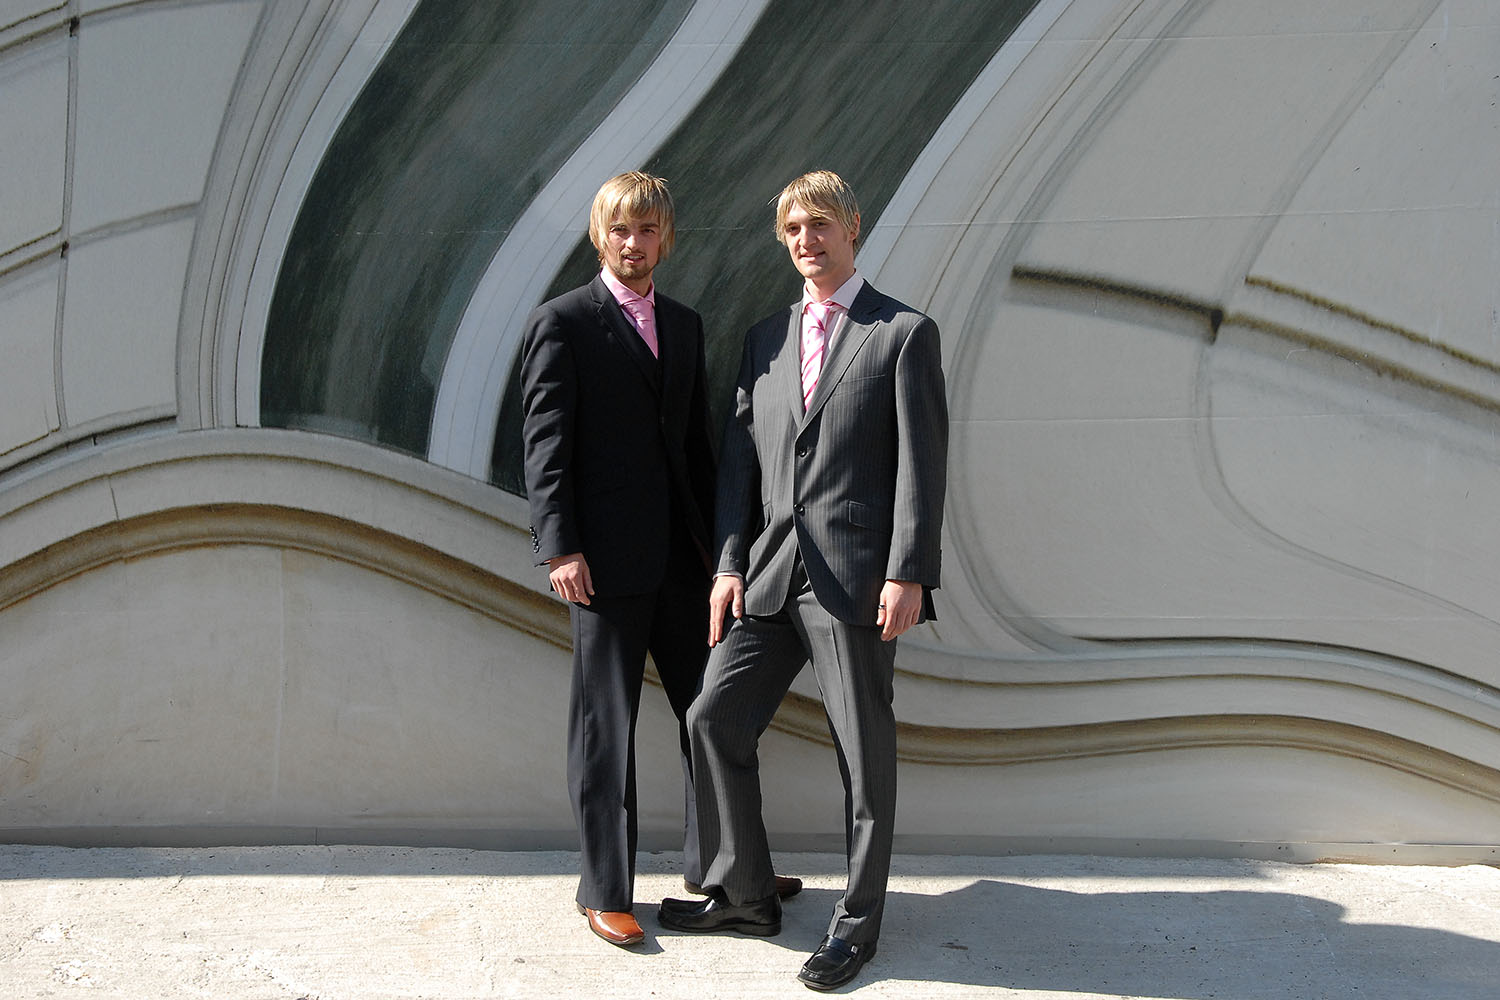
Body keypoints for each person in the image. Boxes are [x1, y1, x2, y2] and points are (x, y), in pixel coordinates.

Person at [657, 170, 948, 990]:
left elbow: (924, 463)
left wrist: (909, 571)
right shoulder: (765, 339)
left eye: (819, 225)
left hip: (859, 581)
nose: (805, 242)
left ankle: (857, 929)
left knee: (863, 756)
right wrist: (727, 563)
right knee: (713, 716)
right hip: (773, 573)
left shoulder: (902, 333)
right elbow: (739, 466)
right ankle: (746, 895)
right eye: (791, 230)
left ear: (852, 228)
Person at [519, 171, 718, 948]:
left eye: (648, 231)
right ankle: (604, 888)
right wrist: (559, 545)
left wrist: (722, 553)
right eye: (621, 231)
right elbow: (544, 446)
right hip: (600, 563)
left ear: (665, 238)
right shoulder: (563, 322)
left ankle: (720, 864)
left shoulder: (686, 323)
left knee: (713, 713)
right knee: (608, 726)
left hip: (684, 562)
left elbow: (696, 448)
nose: (635, 244)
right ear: (600, 236)